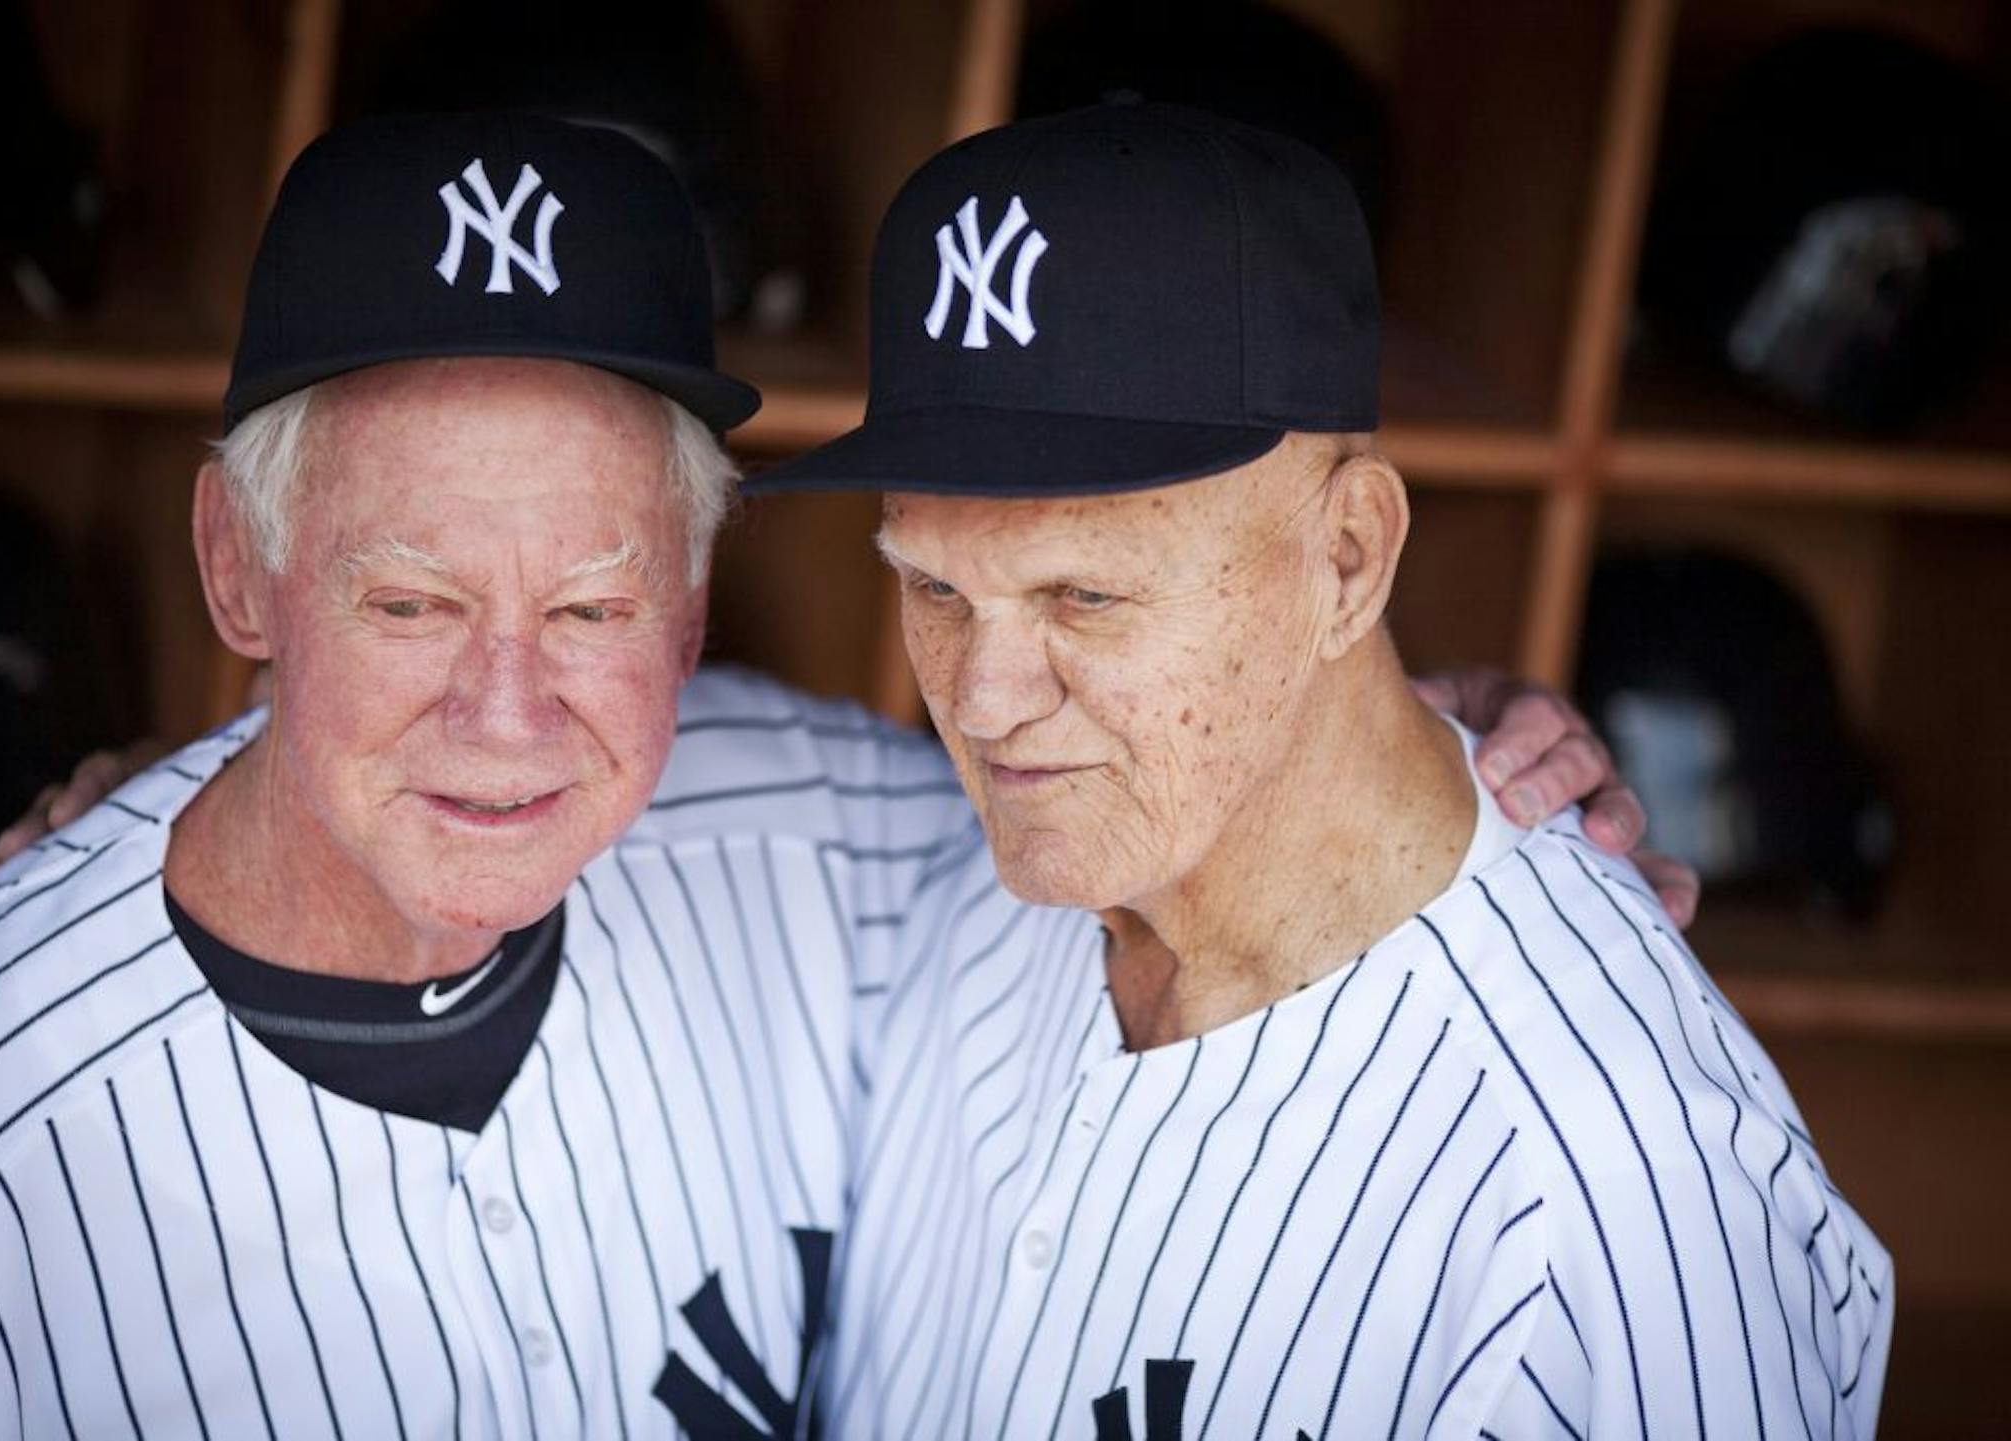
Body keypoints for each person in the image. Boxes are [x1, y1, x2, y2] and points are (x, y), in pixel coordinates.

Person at [0, 110, 1670, 1440]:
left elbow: (1241, 793)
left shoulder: (858, 842)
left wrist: (1396, 724)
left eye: (592, 602)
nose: (505, 712)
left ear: (696, 602)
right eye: (406, 600)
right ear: (238, 569)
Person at [748, 100, 1891, 1438]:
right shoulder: (972, 872)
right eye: (936, 585)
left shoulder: (1609, 1209)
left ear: (1347, 558)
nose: (985, 704)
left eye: (1086, 596)